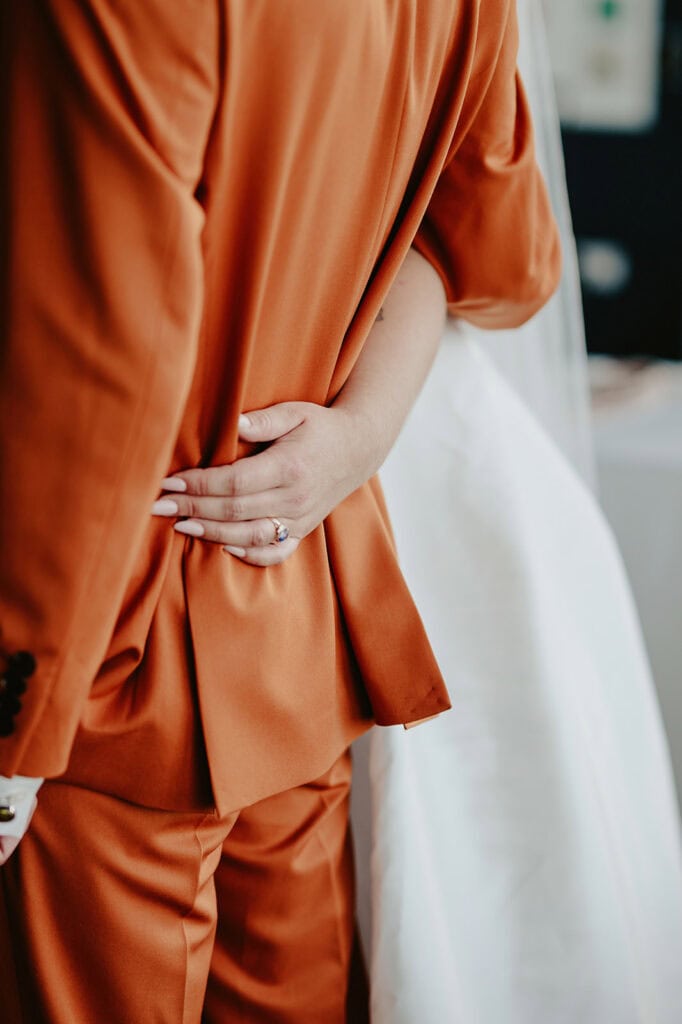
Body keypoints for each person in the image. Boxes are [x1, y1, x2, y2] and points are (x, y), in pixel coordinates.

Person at [0, 1, 560, 1020]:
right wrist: (360, 434)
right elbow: (504, 261)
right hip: (294, 631)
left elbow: (97, 350)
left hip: (101, 662)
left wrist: (13, 726)